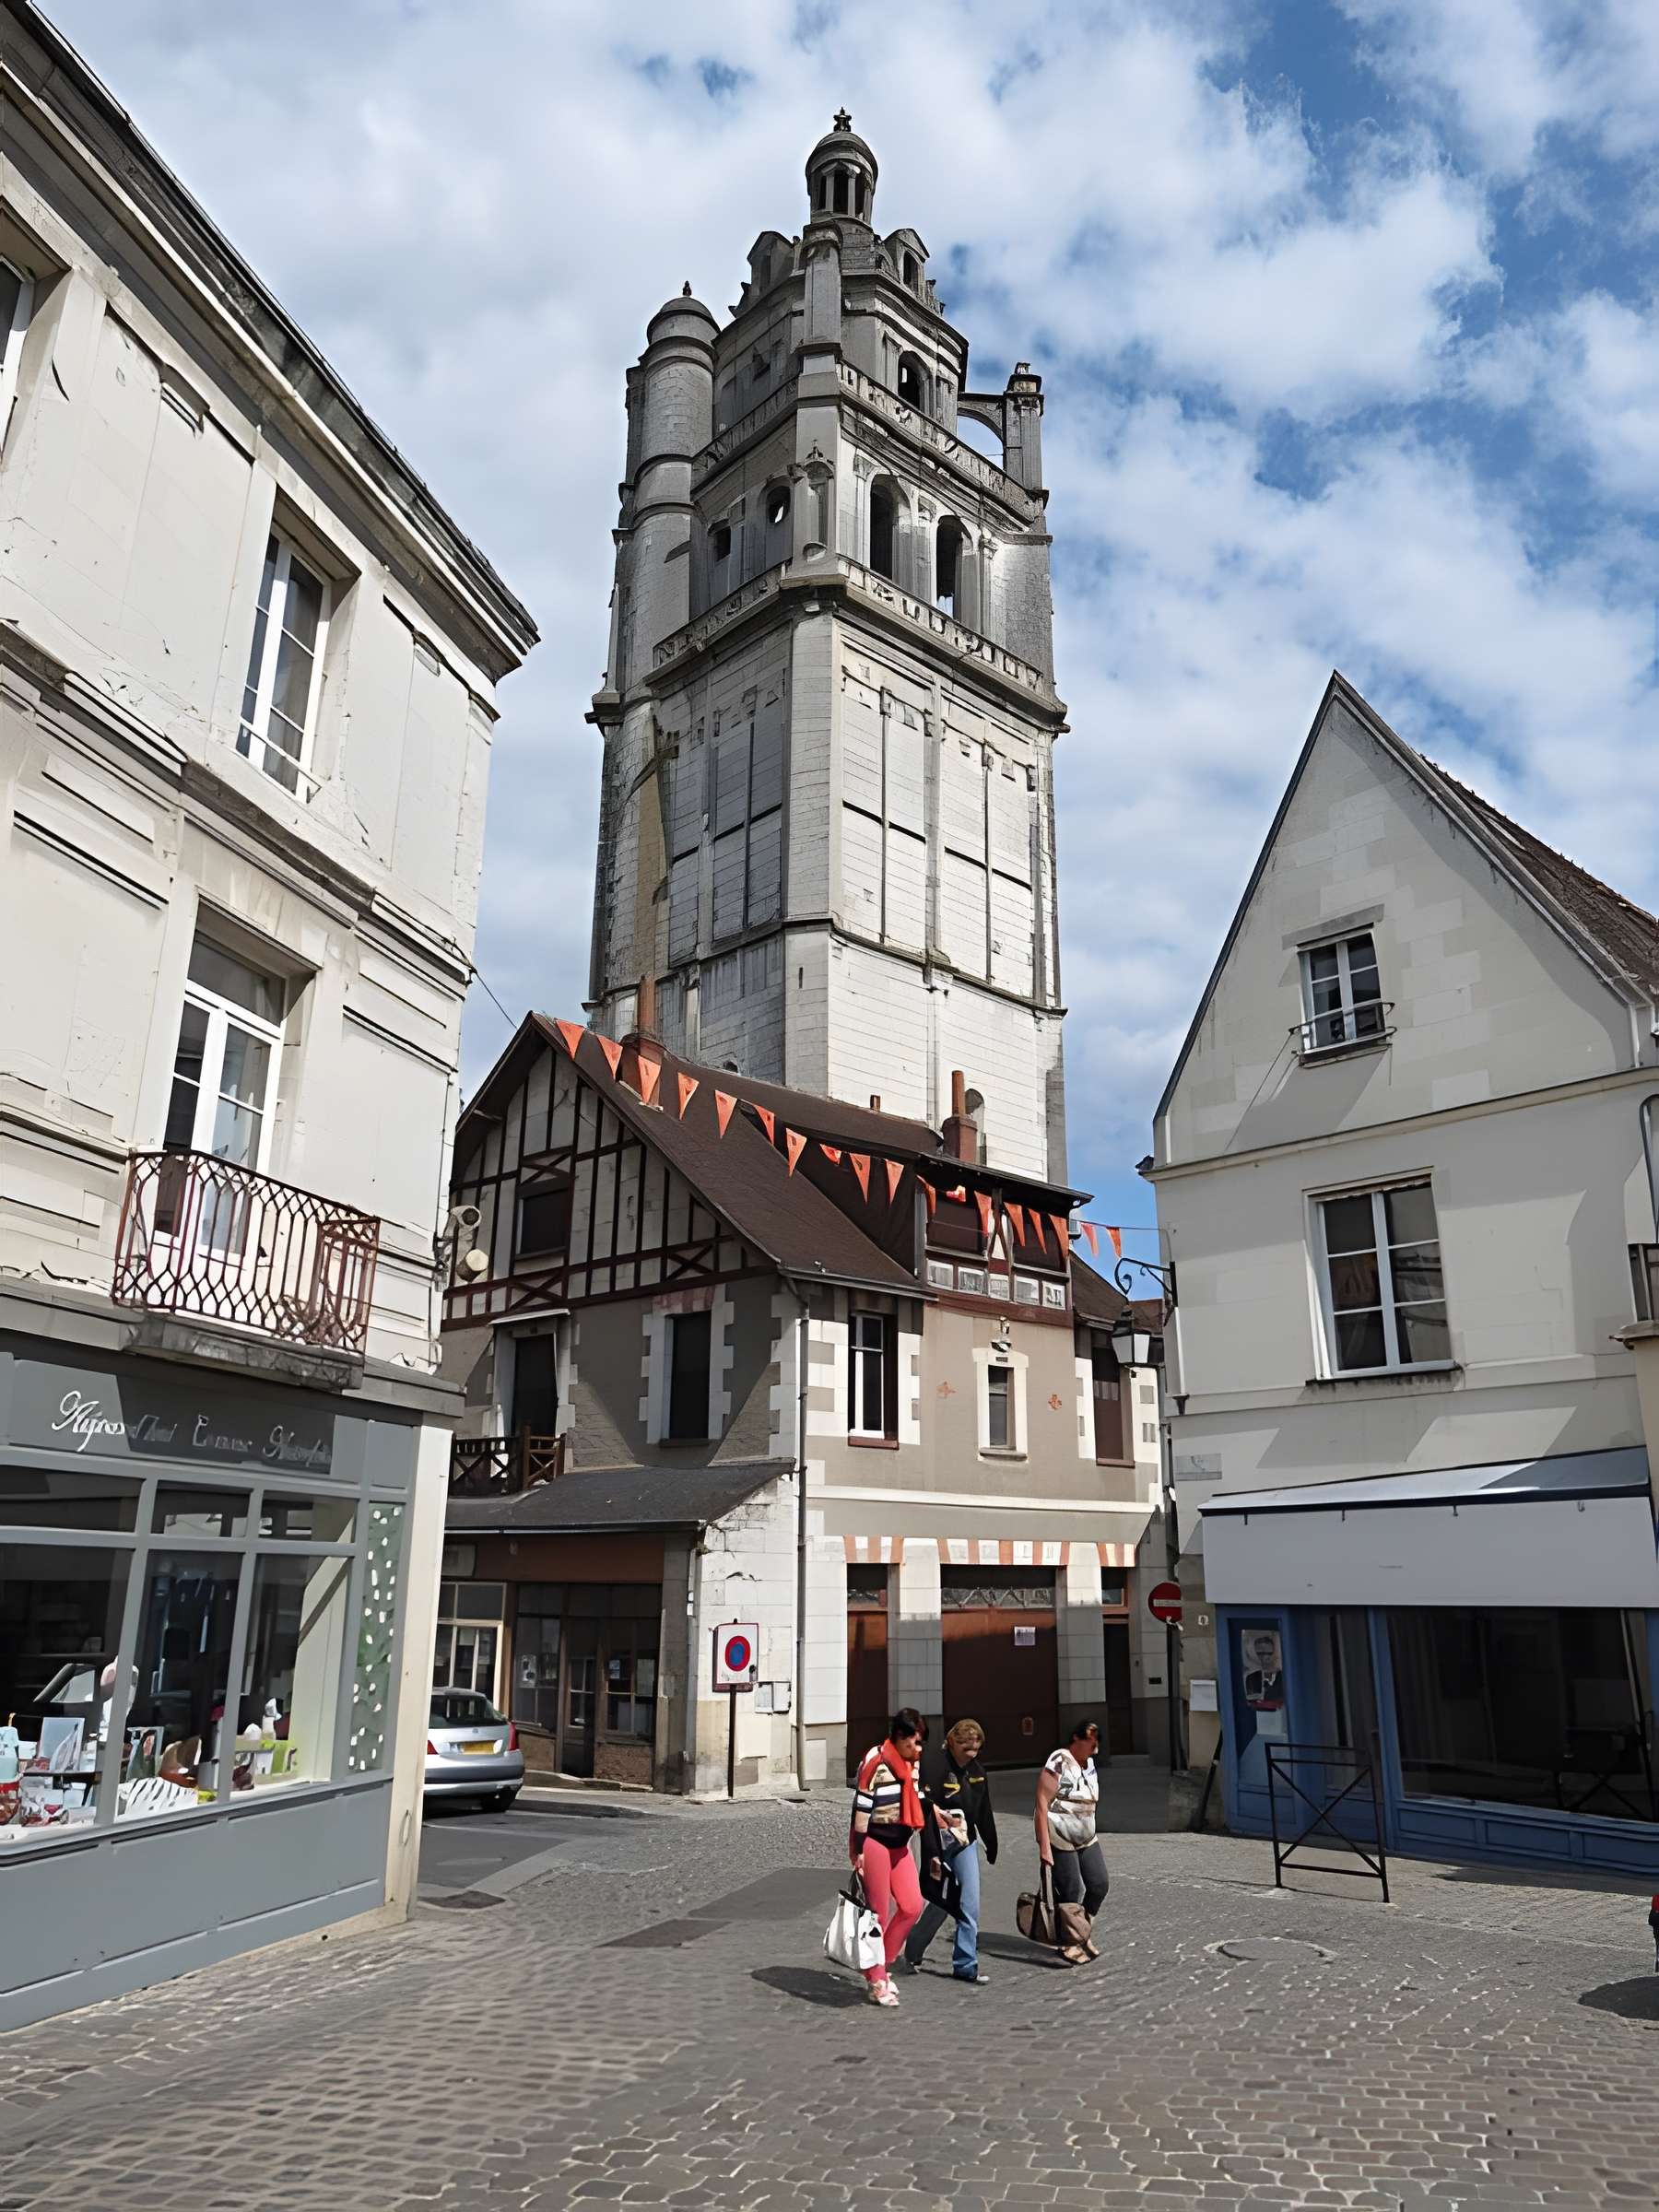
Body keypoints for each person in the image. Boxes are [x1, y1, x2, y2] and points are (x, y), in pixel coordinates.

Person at [903, 1716, 998, 1985]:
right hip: (937, 1839)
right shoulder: (933, 1765)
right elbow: (921, 1802)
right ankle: (913, 1949)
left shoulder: (978, 1772)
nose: (972, 1755)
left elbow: (984, 1811)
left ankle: (965, 1965)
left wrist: (991, 1843)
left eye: (976, 1750)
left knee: (969, 1902)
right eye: (966, 1750)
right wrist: (932, 1852)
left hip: (964, 1842)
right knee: (941, 1901)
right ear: (953, 1744)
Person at [849, 1707, 928, 2008]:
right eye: (914, 1743)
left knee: (911, 1905)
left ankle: (882, 1962)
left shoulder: (913, 1765)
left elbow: (919, 1801)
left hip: (900, 1842)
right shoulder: (876, 1762)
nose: (918, 1749)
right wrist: (857, 1852)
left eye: (921, 1743)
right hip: (875, 1841)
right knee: (878, 1915)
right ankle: (876, 1977)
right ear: (899, 1737)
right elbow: (862, 1808)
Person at [1035, 1717, 1108, 1966]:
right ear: (1076, 1738)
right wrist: (1044, 1846)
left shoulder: (1090, 1765)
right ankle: (1069, 1941)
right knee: (1071, 1890)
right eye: (1090, 1741)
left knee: (1099, 1884)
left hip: (1087, 1836)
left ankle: (1080, 1932)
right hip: (1060, 1834)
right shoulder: (1059, 1760)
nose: (1095, 1746)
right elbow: (1042, 1803)